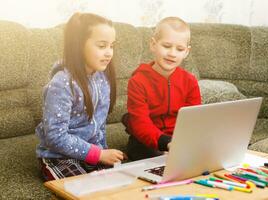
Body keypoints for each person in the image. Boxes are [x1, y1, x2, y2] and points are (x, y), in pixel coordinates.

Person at [36, 12, 125, 181]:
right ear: (79, 45)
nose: (109, 53)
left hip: (92, 154)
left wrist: (104, 153)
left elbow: (100, 125)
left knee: (126, 183)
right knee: (86, 191)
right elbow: (55, 137)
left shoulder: (102, 78)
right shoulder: (62, 83)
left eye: (111, 46)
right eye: (102, 46)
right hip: (59, 158)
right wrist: (99, 154)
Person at [123, 17, 201, 161]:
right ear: (153, 44)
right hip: (146, 142)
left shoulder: (190, 81)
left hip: (178, 141)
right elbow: (140, 123)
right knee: (153, 156)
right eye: (166, 46)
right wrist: (167, 144)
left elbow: (193, 120)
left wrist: (182, 143)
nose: (172, 53)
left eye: (179, 49)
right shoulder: (138, 81)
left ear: (186, 52)